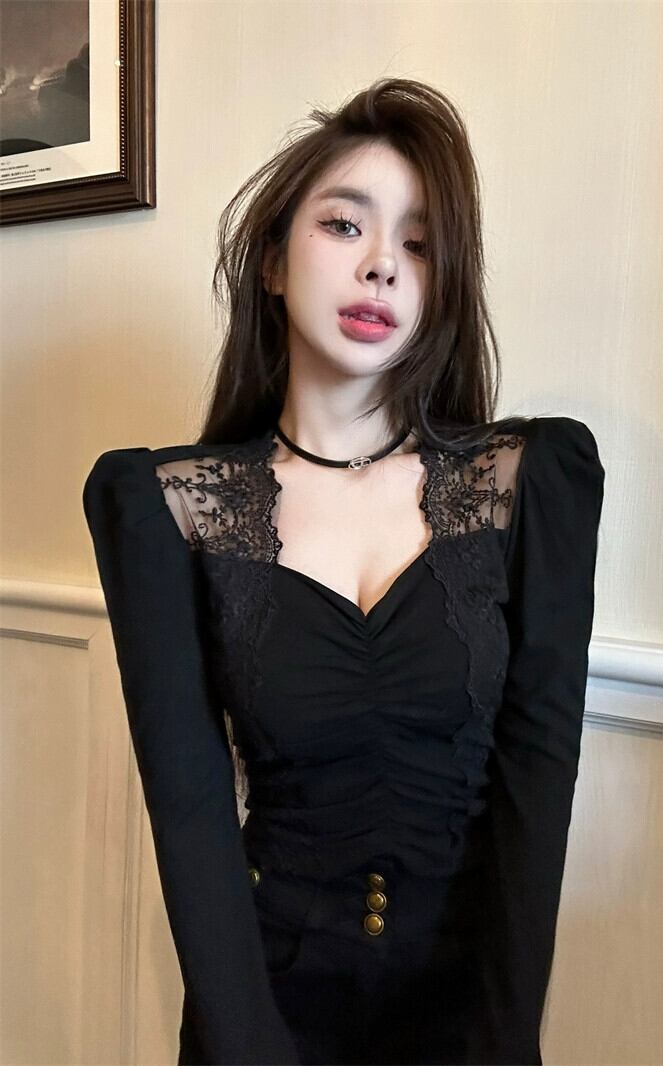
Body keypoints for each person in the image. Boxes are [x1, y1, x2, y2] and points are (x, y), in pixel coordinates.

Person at [82, 77, 605, 1066]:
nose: (382, 267)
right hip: (263, 1015)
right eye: (343, 225)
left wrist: (501, 1042)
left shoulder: (526, 482)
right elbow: (190, 813)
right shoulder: (167, 506)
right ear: (272, 260)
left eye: (420, 243)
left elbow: (538, 780)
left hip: (468, 1018)